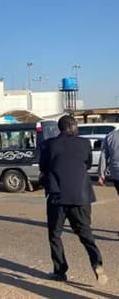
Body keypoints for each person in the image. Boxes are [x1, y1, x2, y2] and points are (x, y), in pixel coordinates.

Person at [39, 115, 107, 284]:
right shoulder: (84, 144)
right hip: (81, 197)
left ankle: (60, 271)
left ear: (60, 128)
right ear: (72, 126)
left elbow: (43, 167)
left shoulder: (48, 145)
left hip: (57, 197)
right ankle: (97, 264)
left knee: (55, 235)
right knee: (85, 233)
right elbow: (87, 164)